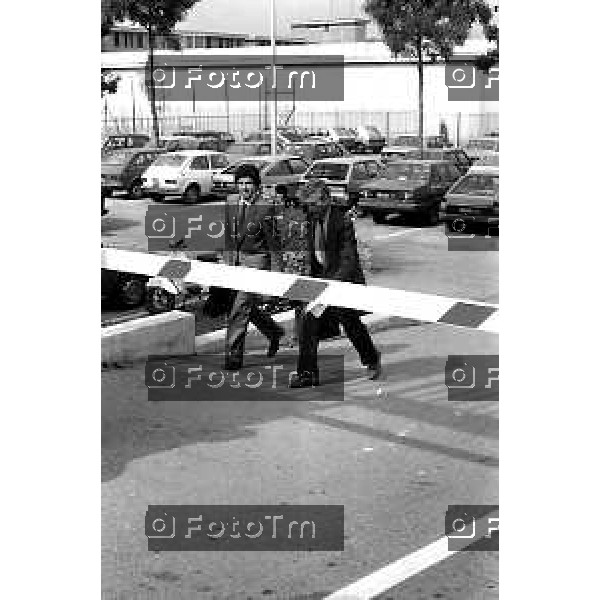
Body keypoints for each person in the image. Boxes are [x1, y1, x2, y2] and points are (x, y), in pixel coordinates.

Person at [289, 179, 381, 388]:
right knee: (309, 324)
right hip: (321, 281)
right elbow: (314, 255)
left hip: (342, 281)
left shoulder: (342, 222)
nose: (310, 209)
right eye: (308, 205)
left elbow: (348, 260)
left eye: (313, 204)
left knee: (351, 325)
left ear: (326, 201)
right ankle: (307, 374)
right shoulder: (312, 219)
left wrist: (331, 286)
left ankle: (372, 359)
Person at [222, 164, 285, 370]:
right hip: (235, 263)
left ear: (257, 186)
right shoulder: (231, 202)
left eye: (248, 183)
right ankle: (274, 332)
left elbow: (274, 246)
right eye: (240, 183)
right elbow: (228, 237)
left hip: (256, 264)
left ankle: (233, 357)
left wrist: (277, 276)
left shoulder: (265, 208)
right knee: (245, 307)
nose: (244, 187)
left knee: (239, 309)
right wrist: (226, 262)